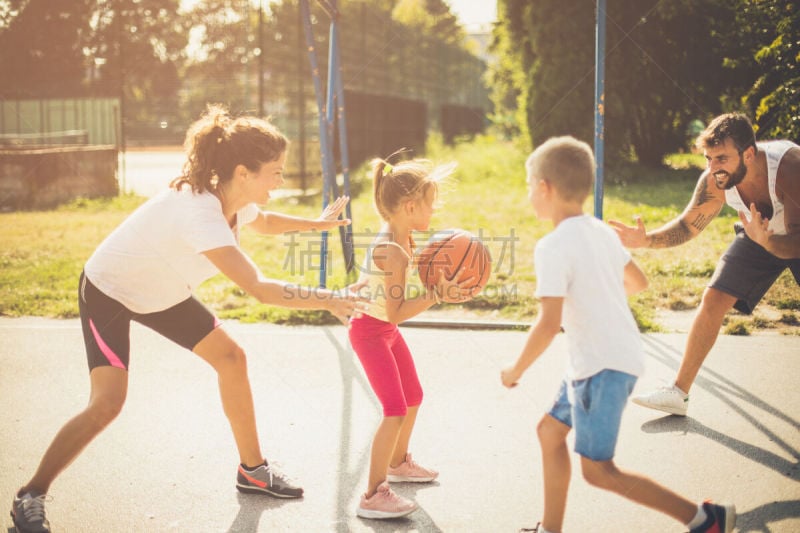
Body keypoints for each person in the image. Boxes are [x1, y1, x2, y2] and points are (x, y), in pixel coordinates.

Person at [10, 104, 364, 533]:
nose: (281, 179)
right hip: (111, 291)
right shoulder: (200, 214)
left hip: (162, 292)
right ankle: (31, 493)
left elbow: (265, 221)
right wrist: (329, 298)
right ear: (244, 172)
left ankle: (253, 471)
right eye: (276, 171)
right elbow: (257, 287)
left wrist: (316, 225)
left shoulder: (232, 198)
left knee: (231, 358)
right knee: (107, 403)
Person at [501, 136, 735, 533]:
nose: (529, 195)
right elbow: (638, 281)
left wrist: (515, 369)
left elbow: (546, 323)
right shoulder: (600, 232)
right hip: (601, 361)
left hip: (600, 368)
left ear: (545, 188)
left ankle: (705, 520)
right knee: (549, 432)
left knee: (599, 471)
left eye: (529, 187)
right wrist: (598, 296)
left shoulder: (552, 246)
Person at [609, 113, 799, 416]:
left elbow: (797, 240)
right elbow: (687, 227)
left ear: (749, 153)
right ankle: (678, 393)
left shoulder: (789, 167)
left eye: (721, 158)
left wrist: (768, 242)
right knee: (714, 298)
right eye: (709, 158)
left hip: (793, 235)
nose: (714, 168)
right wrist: (645, 241)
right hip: (758, 233)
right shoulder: (716, 180)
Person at [348, 156, 478, 519]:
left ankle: (398, 463)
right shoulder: (393, 250)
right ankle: (373, 495)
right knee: (393, 409)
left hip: (383, 329)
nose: (434, 212)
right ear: (409, 206)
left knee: (413, 396)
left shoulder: (401, 233)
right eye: (431, 204)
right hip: (372, 332)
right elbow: (396, 312)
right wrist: (438, 294)